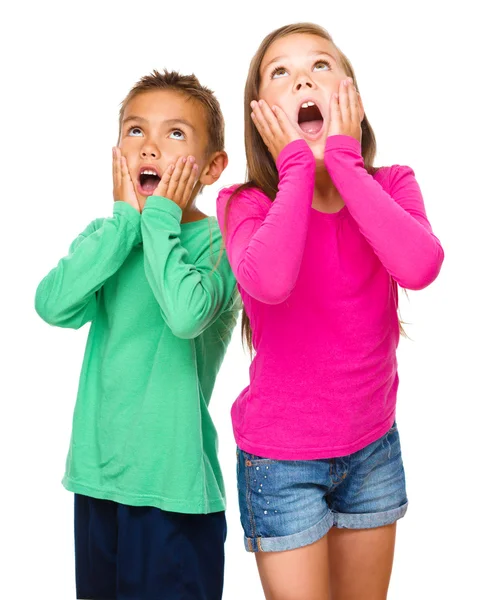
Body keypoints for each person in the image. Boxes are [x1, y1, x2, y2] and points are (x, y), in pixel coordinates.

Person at [217, 23, 444, 600]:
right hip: (282, 463)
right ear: (261, 115)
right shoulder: (246, 205)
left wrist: (342, 162)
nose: (302, 79)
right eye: (280, 73)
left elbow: (419, 266)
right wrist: (296, 165)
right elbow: (268, 281)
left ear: (351, 96)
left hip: (372, 451)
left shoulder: (392, 185)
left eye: (320, 66)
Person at [35, 69, 238, 600]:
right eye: (134, 131)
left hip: (172, 493)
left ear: (213, 166)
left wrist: (160, 219)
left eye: (175, 134)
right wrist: (126, 224)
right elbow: (52, 305)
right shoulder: (110, 236)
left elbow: (185, 315)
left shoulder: (221, 244)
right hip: (98, 482)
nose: (149, 146)